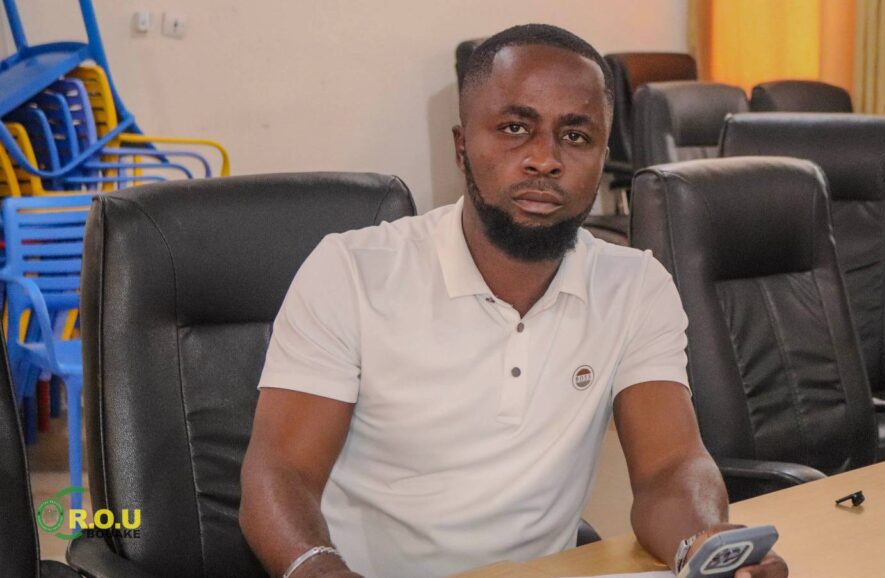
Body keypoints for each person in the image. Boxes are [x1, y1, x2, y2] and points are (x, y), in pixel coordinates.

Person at [239, 24, 788, 578]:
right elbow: (279, 474)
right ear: (462, 147)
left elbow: (669, 467)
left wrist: (704, 543)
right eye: (515, 128)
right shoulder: (352, 271)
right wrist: (320, 570)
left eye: (576, 136)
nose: (544, 159)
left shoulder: (636, 285)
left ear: (603, 157)